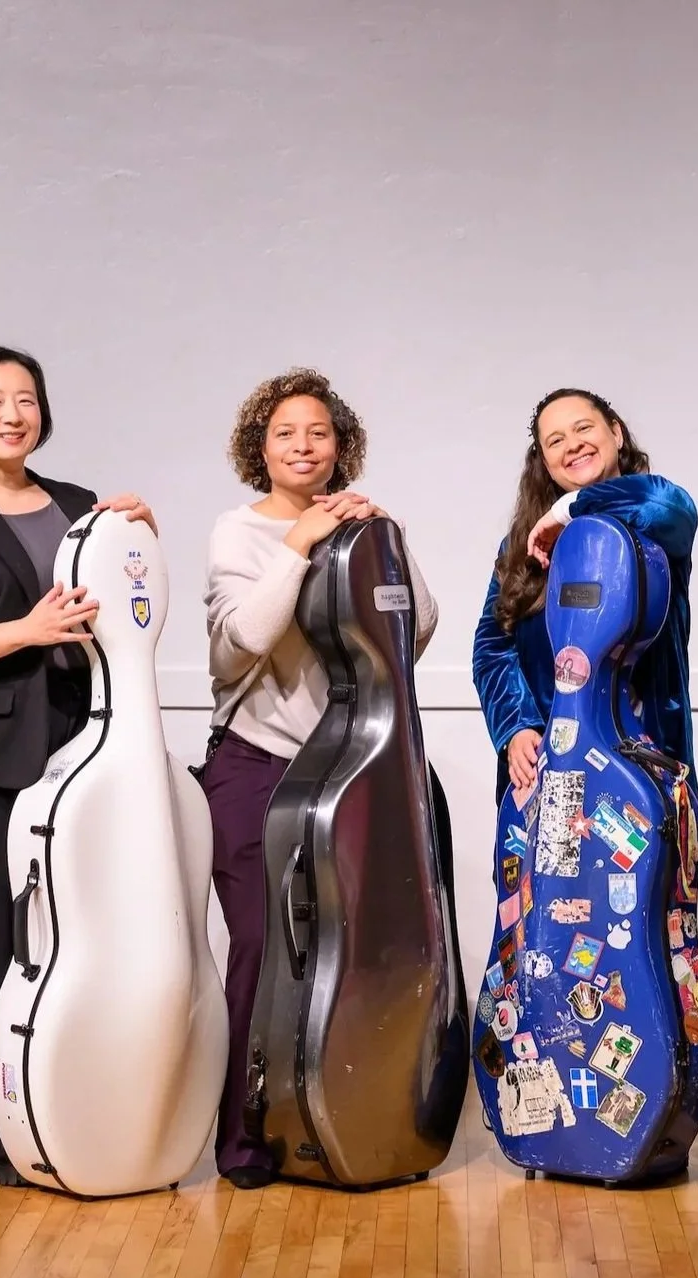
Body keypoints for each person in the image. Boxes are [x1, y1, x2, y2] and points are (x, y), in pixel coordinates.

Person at [0, 345, 153, 1187]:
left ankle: (79, 1109)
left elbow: (126, 611)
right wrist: (27, 630)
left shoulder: (84, 506)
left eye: (27, 398)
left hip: (85, 752)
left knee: (85, 940)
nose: (13, 414)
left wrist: (137, 540)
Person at [201, 369, 435, 1189]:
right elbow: (241, 643)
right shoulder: (238, 533)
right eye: (285, 434)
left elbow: (418, 626)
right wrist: (298, 549)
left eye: (320, 434)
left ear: (342, 446)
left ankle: (344, 1118)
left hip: (349, 770)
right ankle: (246, 1137)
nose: (304, 447)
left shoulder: (359, 525)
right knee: (266, 950)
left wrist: (384, 541)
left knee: (355, 950)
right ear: (258, 448)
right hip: (256, 768)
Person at [473, 388, 698, 803]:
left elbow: (671, 506)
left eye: (583, 428)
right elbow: (492, 646)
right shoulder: (523, 545)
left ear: (615, 432)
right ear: (544, 461)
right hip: (549, 764)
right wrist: (516, 726)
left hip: (645, 761)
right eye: (555, 440)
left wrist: (568, 510)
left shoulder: (655, 524)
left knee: (646, 867)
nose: (572, 444)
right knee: (542, 870)